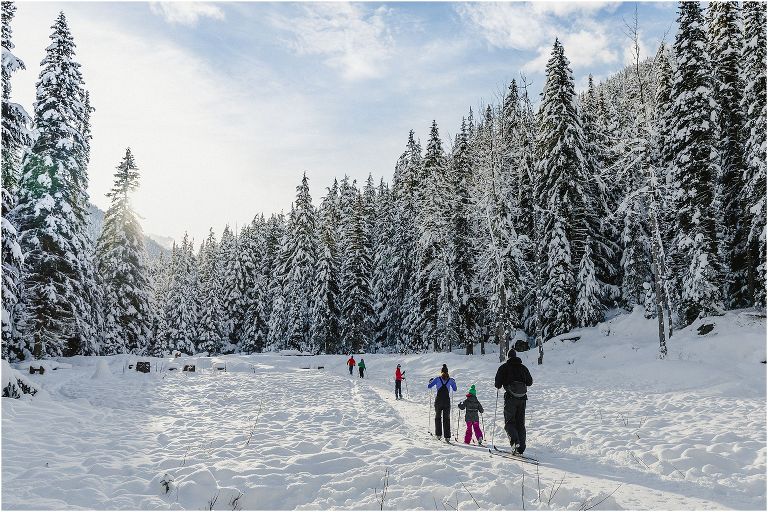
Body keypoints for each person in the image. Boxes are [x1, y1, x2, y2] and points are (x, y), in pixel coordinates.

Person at [494, 348, 533, 454]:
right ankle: (521, 448)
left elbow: (497, 384)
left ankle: (515, 443)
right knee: (520, 423)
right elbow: (530, 382)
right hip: (522, 399)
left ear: (508, 357)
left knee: (509, 422)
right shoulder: (523, 368)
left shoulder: (504, 367)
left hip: (510, 399)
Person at [427, 364, 457, 442]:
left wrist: (431, 381)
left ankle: (438, 435)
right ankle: (447, 437)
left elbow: (429, 386)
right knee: (446, 418)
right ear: (447, 372)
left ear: (441, 372)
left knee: (438, 417)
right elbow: (455, 389)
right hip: (446, 401)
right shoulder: (450, 380)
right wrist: (454, 382)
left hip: (439, 401)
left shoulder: (437, 379)